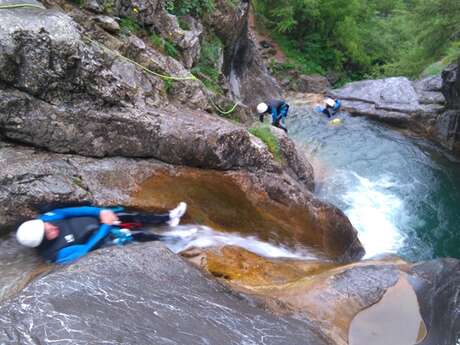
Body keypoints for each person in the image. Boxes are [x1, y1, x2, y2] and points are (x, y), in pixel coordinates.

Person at [16, 203, 187, 264]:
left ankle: (168, 218)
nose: (53, 227)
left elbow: (72, 211)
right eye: (49, 232)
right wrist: (106, 227)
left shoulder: (47, 218)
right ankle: (173, 240)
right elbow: (86, 250)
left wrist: (100, 212)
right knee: (129, 234)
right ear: (43, 241)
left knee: (126, 215)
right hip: (99, 237)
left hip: (98, 220)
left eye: (48, 226)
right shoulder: (56, 254)